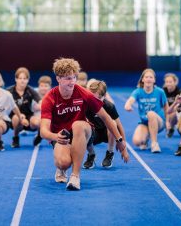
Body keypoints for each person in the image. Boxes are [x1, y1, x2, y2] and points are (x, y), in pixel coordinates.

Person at [40, 58, 129, 191]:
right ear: (58, 79)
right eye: (68, 78)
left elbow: (107, 118)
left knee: (78, 125)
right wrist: (55, 137)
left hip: (84, 131)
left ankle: (75, 177)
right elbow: (43, 131)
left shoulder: (83, 93)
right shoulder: (49, 98)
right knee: (63, 163)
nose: (72, 82)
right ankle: (62, 169)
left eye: (74, 77)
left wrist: (120, 140)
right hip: (62, 136)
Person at [83, 79, 127, 169]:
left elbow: (119, 125)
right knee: (83, 128)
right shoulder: (86, 105)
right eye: (93, 99)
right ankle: (91, 155)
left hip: (108, 133)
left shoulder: (109, 106)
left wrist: (124, 147)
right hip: (94, 133)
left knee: (113, 123)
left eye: (98, 99)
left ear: (104, 96)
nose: (95, 102)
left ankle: (109, 153)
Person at [124, 68, 168, 153]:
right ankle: (146, 139)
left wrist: (168, 121)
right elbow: (130, 100)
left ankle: (154, 143)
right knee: (137, 142)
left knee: (151, 114)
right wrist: (128, 106)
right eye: (146, 77)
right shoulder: (138, 91)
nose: (148, 79)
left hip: (159, 121)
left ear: (154, 80)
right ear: (143, 79)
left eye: (151, 77)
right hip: (145, 122)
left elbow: (166, 107)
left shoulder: (160, 92)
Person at [7, 67, 42, 148]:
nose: (22, 80)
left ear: (28, 80)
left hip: (28, 117)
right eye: (20, 78)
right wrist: (21, 117)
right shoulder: (9, 91)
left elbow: (40, 102)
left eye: (25, 78)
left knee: (38, 122)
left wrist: (41, 106)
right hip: (14, 117)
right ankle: (15, 137)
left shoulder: (30, 90)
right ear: (16, 79)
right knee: (16, 118)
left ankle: (39, 136)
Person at [30, 75, 53, 145]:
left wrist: (40, 106)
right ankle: (42, 134)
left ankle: (42, 135)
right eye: (42, 86)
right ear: (39, 86)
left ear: (50, 87)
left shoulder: (53, 94)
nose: (43, 88)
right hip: (36, 118)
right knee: (39, 121)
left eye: (46, 86)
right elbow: (33, 108)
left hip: (49, 118)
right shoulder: (34, 93)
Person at [163, 73, 181, 138]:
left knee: (175, 112)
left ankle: (174, 127)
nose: (168, 84)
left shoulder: (179, 91)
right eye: (167, 82)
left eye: (170, 82)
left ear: (175, 82)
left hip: (176, 111)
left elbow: (180, 106)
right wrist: (167, 120)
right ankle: (170, 127)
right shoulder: (163, 92)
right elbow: (162, 107)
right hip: (165, 112)